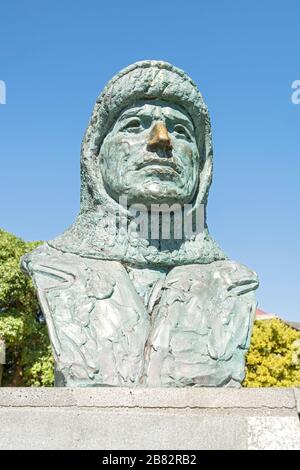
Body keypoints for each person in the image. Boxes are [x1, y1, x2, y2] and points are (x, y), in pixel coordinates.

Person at [22, 61, 258, 387]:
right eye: (134, 125)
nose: (161, 139)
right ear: (95, 156)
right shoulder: (52, 266)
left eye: (180, 130)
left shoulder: (235, 282)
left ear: (203, 166)